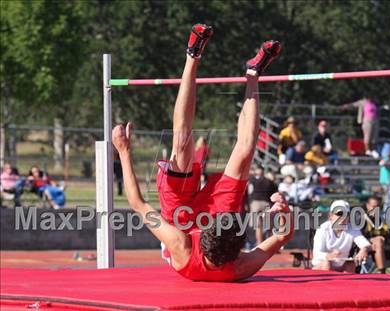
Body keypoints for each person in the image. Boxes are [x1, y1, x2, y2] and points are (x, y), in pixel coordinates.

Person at [112, 24, 293, 282]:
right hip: (222, 228)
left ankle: (192, 55)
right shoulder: (238, 265)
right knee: (245, 152)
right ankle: (253, 73)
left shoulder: (181, 245)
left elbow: (138, 204)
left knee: (183, 144)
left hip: (180, 219)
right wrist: (285, 214)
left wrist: (124, 152)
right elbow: (282, 237)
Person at [312, 200, 371, 272]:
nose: (343, 218)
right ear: (330, 216)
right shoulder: (322, 229)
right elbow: (317, 253)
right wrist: (329, 255)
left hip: (341, 266)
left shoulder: (352, 228)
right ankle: (326, 283)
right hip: (321, 265)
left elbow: (364, 243)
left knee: (350, 265)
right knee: (326, 263)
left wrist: (364, 250)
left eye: (346, 214)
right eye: (339, 214)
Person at [248, 165, 278, 244]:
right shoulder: (268, 181)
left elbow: (249, 192)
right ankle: (271, 243)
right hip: (266, 203)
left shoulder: (251, 180)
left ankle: (259, 243)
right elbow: (274, 193)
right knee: (269, 225)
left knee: (258, 226)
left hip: (255, 203)